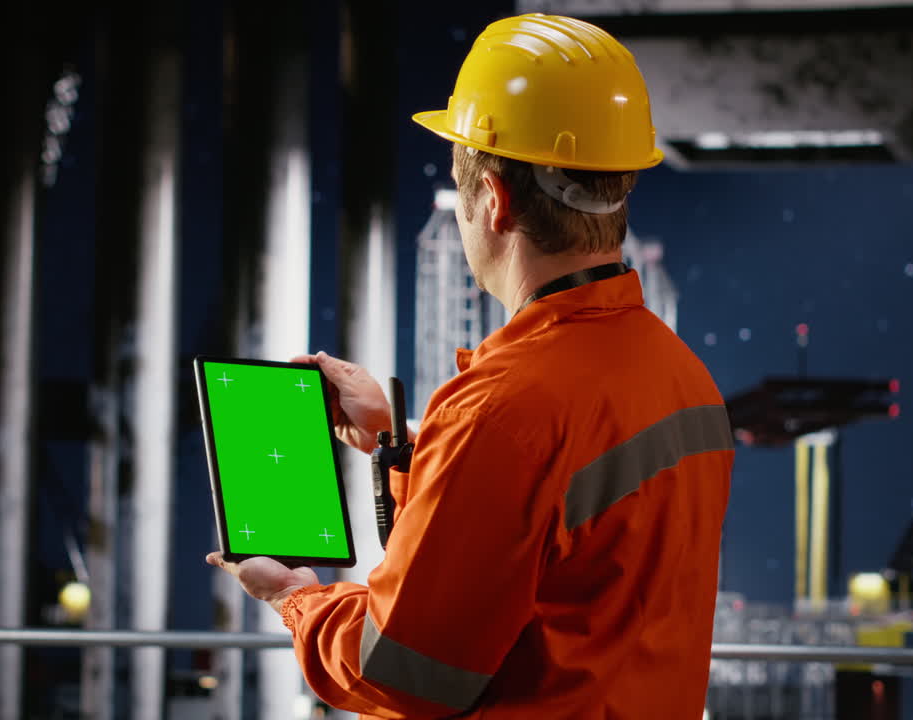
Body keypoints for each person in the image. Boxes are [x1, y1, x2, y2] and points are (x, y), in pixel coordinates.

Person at [208, 13, 734, 719]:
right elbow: (561, 522)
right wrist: (404, 442)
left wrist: (292, 596)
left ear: (492, 199)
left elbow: (397, 673)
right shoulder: (680, 377)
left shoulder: (506, 406)